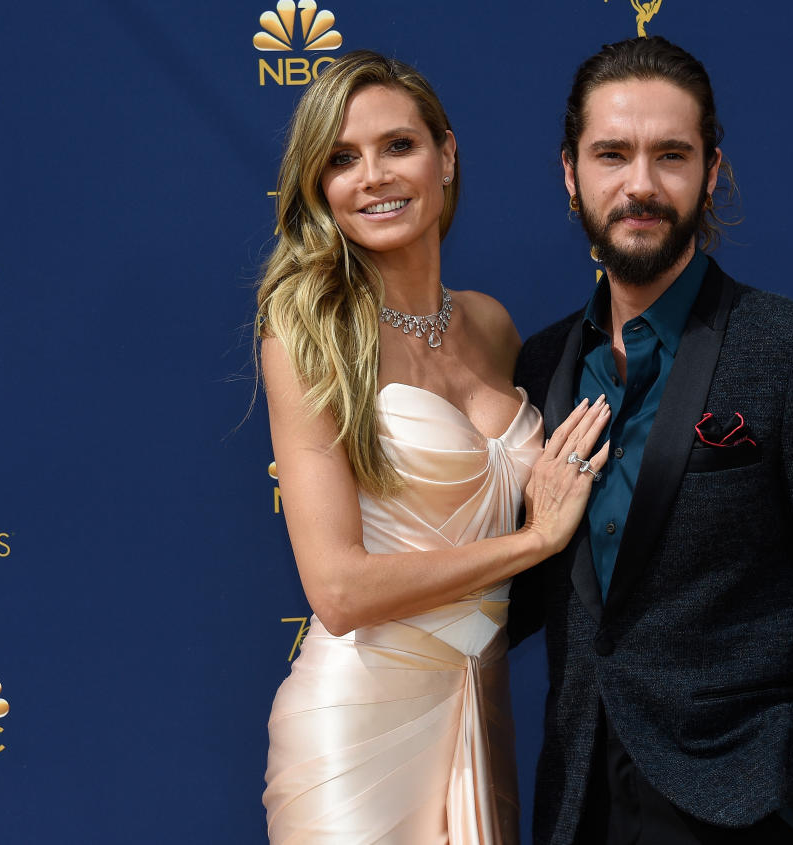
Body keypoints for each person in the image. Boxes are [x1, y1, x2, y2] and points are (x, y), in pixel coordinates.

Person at [509, 37, 793, 844]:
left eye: (671, 154)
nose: (641, 184)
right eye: (611, 154)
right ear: (571, 174)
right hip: (573, 800)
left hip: (735, 803)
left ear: (712, 170)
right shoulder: (540, 362)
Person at [256, 50, 611, 844]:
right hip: (356, 731)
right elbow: (339, 590)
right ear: (319, 188)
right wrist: (533, 540)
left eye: (398, 146)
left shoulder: (491, 323)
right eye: (342, 159)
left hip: (478, 706)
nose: (373, 175)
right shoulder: (306, 333)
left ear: (446, 155)